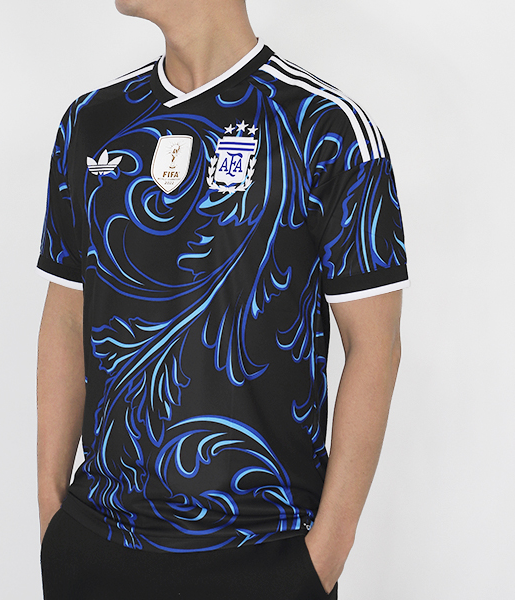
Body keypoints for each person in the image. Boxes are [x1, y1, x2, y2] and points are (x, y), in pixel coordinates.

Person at [36, 1, 408, 598]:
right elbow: (65, 315)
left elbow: (375, 345)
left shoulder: (326, 128)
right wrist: (53, 521)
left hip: (262, 551)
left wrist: (321, 561)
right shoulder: (91, 123)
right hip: (97, 544)